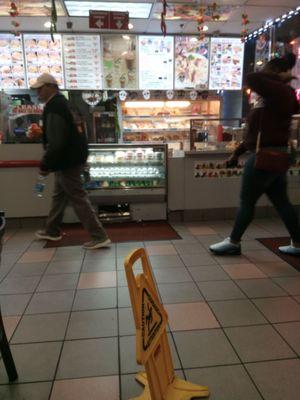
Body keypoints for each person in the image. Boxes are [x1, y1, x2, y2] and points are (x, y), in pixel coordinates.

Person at [210, 55, 300, 256]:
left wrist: (278, 76)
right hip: (277, 156)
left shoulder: (278, 91)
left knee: (247, 201)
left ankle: (233, 241)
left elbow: (252, 77)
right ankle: (297, 243)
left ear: (274, 71)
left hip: (264, 157)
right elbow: (258, 132)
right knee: (282, 202)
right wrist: (237, 153)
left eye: (268, 69)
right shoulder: (281, 94)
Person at [31, 73, 110, 250]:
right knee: (59, 196)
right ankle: (51, 230)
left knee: (78, 198)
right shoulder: (65, 104)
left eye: (40, 88)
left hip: (67, 160)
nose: (38, 93)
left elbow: (57, 141)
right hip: (70, 159)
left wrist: (45, 164)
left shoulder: (54, 106)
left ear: (51, 87)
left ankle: (99, 236)